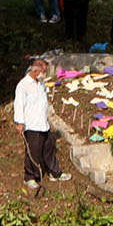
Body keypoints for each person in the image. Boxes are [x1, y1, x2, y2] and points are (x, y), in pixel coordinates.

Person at [13, 56, 68, 194]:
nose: (45, 75)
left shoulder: (41, 84)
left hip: (43, 123)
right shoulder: (23, 85)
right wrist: (20, 122)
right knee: (33, 151)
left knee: (49, 148)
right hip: (31, 124)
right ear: (36, 70)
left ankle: (55, 173)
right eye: (43, 72)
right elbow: (19, 104)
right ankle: (30, 176)